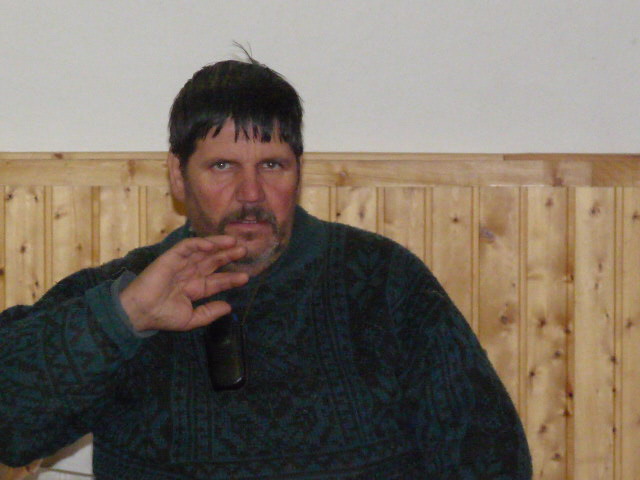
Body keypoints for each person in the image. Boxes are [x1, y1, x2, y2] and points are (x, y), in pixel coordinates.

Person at [0, 56, 532, 479]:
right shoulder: (124, 294)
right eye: (222, 166)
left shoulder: (382, 281)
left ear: (298, 172)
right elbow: (10, 426)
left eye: (272, 165)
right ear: (178, 176)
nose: (251, 193)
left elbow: (491, 457)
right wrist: (123, 319)